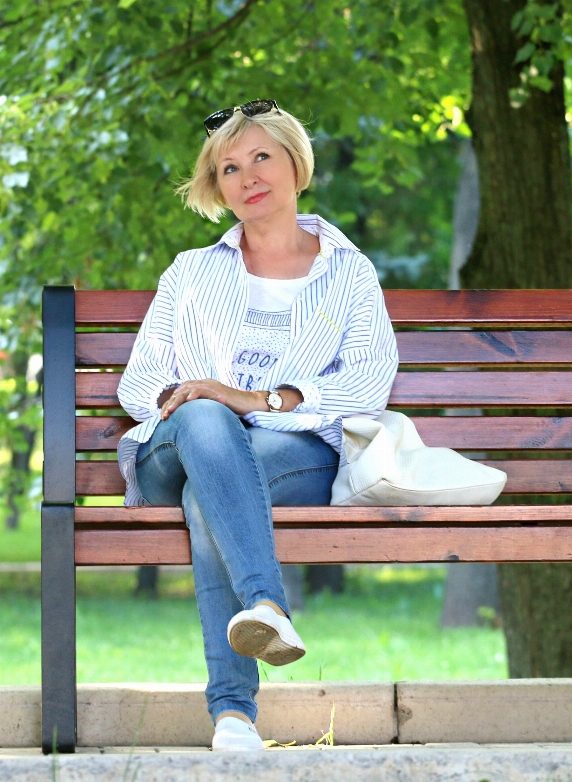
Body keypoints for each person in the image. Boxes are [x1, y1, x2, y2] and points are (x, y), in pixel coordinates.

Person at [116, 100, 399, 751]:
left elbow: (366, 383)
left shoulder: (348, 274)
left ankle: (233, 716)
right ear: (218, 188)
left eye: (261, 157)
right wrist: (204, 402)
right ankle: (267, 606)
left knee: (209, 492)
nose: (247, 177)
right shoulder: (191, 272)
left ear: (296, 163)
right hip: (174, 451)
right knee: (206, 422)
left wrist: (255, 399)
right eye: (229, 168)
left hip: (289, 455)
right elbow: (140, 382)